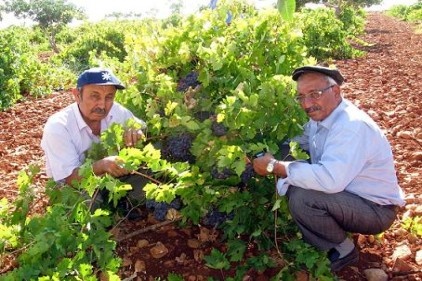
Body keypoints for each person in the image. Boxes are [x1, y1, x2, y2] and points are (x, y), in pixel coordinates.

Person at [253, 65, 405, 272]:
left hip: (376, 210)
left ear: (335, 91)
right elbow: (297, 141)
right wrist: (265, 148)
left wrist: (273, 166)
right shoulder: (322, 115)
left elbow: (330, 180)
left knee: (303, 197)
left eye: (314, 94)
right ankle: (331, 229)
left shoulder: (351, 127)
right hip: (351, 197)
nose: (307, 104)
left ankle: (343, 250)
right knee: (288, 156)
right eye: (301, 97)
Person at [41, 67, 147, 216]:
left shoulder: (116, 111)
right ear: (77, 95)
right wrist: (102, 165)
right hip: (74, 187)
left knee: (149, 173)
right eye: (95, 96)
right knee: (86, 207)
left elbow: (143, 130)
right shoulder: (58, 127)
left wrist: (137, 132)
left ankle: (125, 205)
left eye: (109, 97)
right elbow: (70, 178)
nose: (102, 105)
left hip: (111, 179)